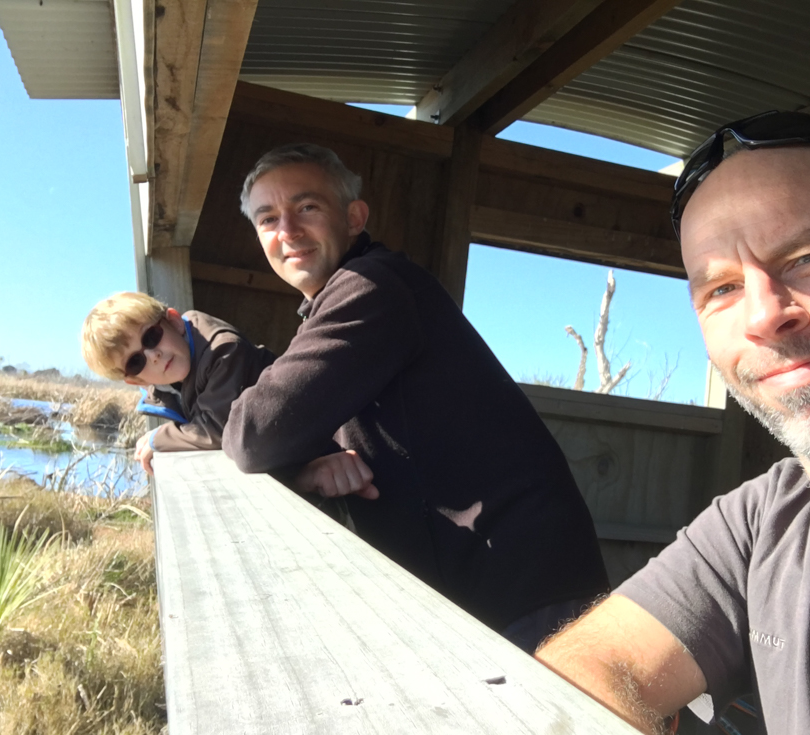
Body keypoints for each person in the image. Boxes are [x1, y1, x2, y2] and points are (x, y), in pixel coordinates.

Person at [536, 111, 810, 735]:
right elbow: (580, 672)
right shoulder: (767, 519)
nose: (763, 316)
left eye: (809, 257)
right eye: (723, 289)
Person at [221, 144, 609, 651]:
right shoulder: (346, 296)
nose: (287, 231)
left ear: (354, 217)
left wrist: (293, 459)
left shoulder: (372, 286)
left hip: (521, 588)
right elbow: (283, 420)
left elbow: (253, 434)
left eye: (307, 207)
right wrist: (310, 465)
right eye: (268, 219)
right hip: (491, 582)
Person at [82, 292, 276, 475]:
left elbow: (217, 429)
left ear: (174, 322)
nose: (153, 356)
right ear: (137, 380)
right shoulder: (169, 386)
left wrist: (157, 439)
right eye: (135, 362)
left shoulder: (223, 352)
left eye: (151, 337)